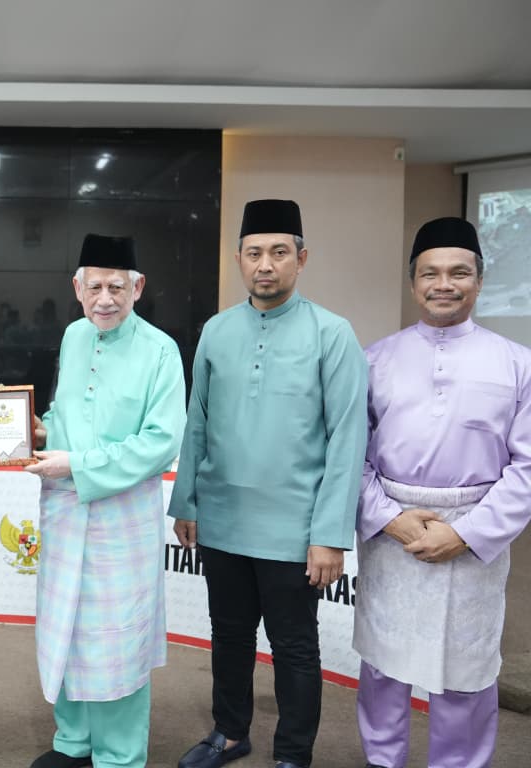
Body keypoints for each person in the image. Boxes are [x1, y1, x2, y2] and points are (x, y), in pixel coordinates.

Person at [168, 199, 368, 768]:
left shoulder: (333, 333)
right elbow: (198, 421)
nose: (265, 264)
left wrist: (329, 534)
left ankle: (293, 754)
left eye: (279, 252)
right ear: (238, 258)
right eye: (254, 253)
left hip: (295, 528)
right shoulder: (217, 330)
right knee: (228, 635)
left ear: (301, 259)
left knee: (294, 646)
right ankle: (230, 733)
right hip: (224, 519)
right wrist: (186, 502)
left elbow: (348, 439)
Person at [354, 217, 531, 768]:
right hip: (392, 531)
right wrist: (389, 518)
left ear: (479, 280)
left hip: (473, 532)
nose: (444, 284)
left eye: (459, 272)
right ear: (413, 282)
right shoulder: (374, 359)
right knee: (384, 664)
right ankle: (383, 760)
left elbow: (528, 467)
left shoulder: (518, 363)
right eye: (430, 273)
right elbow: (350, 458)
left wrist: (466, 534)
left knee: (466, 669)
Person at [24, 234, 186, 768]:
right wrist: (42, 432)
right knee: (68, 629)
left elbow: (161, 441)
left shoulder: (160, 350)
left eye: (117, 287)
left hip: (122, 518)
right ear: (77, 288)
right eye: (94, 287)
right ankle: (73, 743)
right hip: (66, 510)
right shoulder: (74, 336)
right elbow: (67, 413)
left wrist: (78, 464)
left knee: (117, 640)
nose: (105, 299)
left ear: (138, 288)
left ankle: (118, 755)